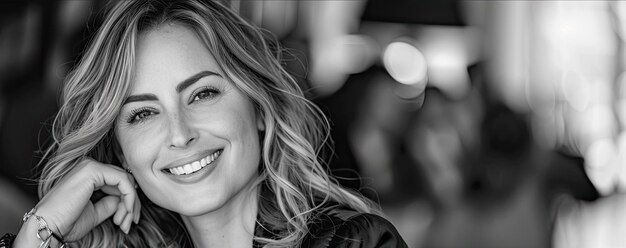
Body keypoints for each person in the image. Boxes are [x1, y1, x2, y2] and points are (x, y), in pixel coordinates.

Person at [2, 0, 407, 247]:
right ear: (122, 156)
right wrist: (41, 230)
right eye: (143, 114)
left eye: (202, 94)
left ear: (260, 108)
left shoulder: (355, 243)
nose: (179, 134)